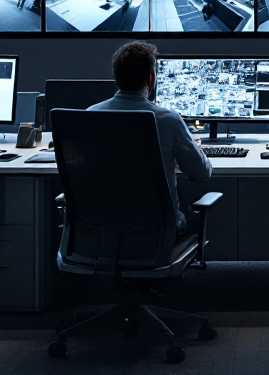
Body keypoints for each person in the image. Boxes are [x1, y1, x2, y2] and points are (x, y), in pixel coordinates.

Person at [88, 42, 211, 237]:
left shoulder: (90, 116)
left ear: (116, 77)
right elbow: (201, 173)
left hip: (101, 233)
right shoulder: (168, 120)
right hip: (157, 235)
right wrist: (194, 147)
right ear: (151, 79)